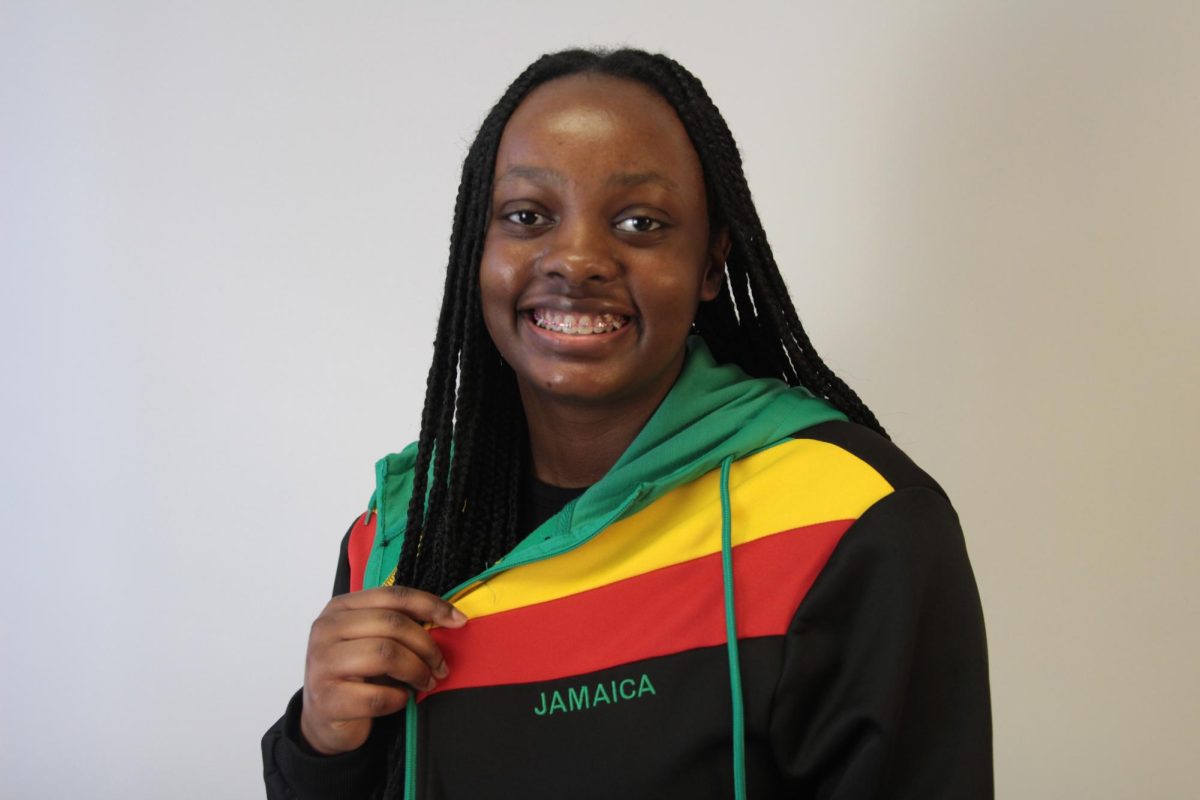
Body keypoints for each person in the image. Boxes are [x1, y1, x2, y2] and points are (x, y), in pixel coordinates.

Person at [261, 47, 992, 800]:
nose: (576, 260)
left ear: (711, 264)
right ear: (476, 253)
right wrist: (321, 745)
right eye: (526, 216)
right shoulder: (400, 532)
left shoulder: (854, 521)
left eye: (641, 222)